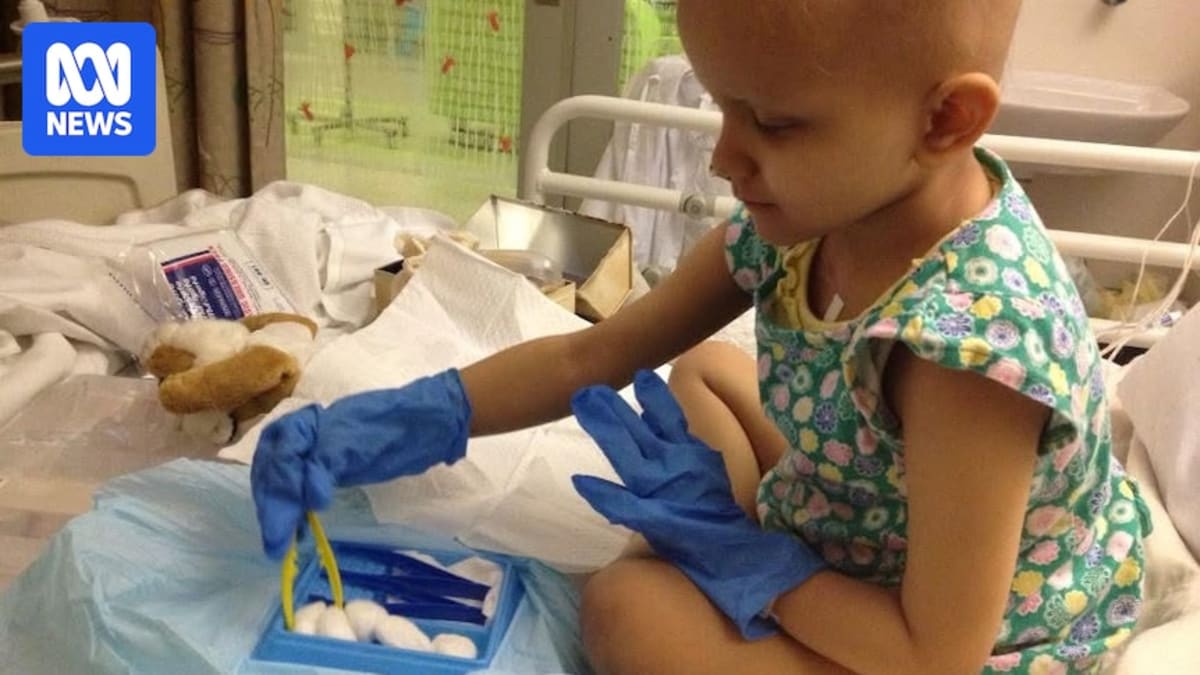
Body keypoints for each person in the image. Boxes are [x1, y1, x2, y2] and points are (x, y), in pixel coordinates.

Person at [250, 1, 1152, 673]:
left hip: (958, 632)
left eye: (775, 122)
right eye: (721, 106)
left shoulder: (969, 352)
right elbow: (589, 353)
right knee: (706, 369)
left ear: (945, 121)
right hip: (870, 511)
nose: (724, 156)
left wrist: (746, 559)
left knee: (628, 610)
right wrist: (397, 419)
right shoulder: (816, 215)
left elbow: (934, 653)